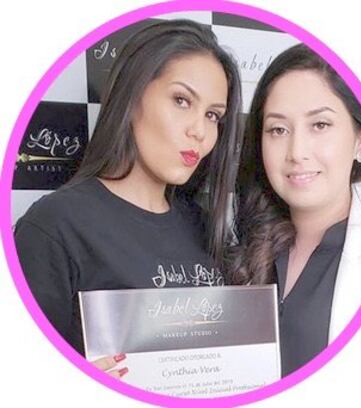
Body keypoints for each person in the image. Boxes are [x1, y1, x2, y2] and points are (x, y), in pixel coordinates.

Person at [14, 19, 242, 378]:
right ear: (132, 96)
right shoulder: (55, 226)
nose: (199, 130)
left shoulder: (202, 224)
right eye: (181, 100)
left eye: (213, 115)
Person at [227, 43, 361, 376]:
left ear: (360, 140)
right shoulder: (240, 246)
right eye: (278, 130)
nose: (296, 151)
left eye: (320, 125)